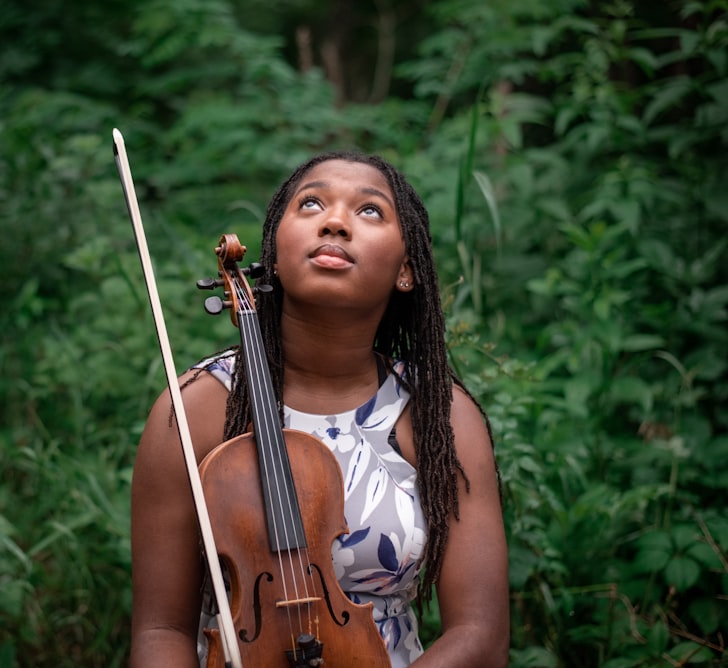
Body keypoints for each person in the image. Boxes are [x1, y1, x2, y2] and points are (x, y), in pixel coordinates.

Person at [129, 152, 509, 667]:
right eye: (311, 203)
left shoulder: (440, 417)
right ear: (276, 255)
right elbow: (160, 631)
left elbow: (480, 634)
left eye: (370, 211)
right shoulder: (195, 408)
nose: (334, 221)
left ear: (406, 270)